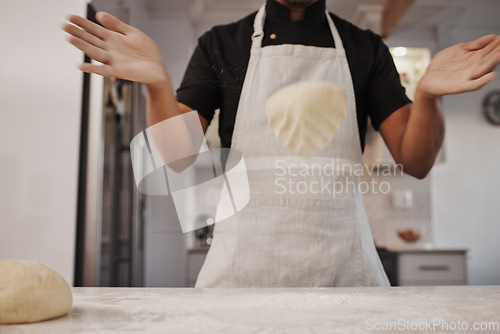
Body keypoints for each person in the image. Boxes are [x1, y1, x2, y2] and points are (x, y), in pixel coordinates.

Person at [64, 0, 500, 288]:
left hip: (345, 271)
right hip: (242, 270)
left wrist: (429, 95)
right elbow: (178, 161)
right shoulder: (221, 44)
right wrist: (157, 86)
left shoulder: (365, 47)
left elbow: (416, 159)